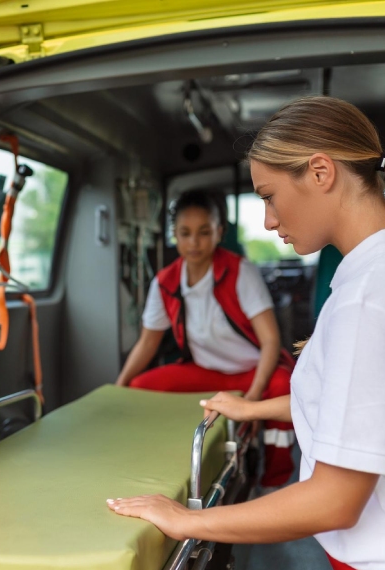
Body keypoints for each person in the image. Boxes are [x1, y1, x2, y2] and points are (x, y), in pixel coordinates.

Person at [107, 96, 385, 570]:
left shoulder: (372, 297)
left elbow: (333, 503)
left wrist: (188, 521)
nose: (269, 221)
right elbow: (362, 404)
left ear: (321, 172)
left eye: (269, 196)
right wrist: (254, 406)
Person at [115, 189, 296, 487]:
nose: (194, 242)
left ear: (219, 232)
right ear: (174, 235)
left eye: (204, 232)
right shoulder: (165, 282)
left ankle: (274, 481)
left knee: (282, 386)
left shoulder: (240, 272)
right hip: (205, 373)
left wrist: (251, 401)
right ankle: (158, 456)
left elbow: (270, 341)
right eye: (185, 233)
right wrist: (119, 387)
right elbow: (148, 343)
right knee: (139, 387)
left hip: (251, 372)